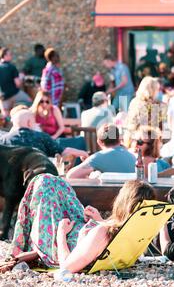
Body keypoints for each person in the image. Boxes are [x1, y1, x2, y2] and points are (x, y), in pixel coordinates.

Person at [7, 176, 156, 273]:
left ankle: (25, 245)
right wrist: (100, 221)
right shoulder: (135, 229)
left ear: (122, 203)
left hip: (58, 245)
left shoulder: (102, 233)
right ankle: (29, 248)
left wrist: (61, 234)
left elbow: (66, 267)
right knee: (58, 183)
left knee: (43, 183)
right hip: (81, 230)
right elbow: (110, 238)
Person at [0, 109, 88, 160]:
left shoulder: (3, 140)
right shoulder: (41, 137)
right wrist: (83, 153)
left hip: (9, 186)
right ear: (29, 123)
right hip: (37, 184)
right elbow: (64, 151)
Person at [66, 123, 136, 179]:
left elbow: (70, 176)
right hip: (131, 195)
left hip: (109, 195)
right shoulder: (133, 156)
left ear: (99, 142)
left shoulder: (97, 158)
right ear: (119, 140)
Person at [0, 48, 31, 117]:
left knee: (5, 116)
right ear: (4, 56)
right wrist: (21, 78)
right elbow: (17, 83)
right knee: (30, 103)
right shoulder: (11, 67)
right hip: (14, 93)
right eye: (10, 54)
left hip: (2, 97)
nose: (11, 56)